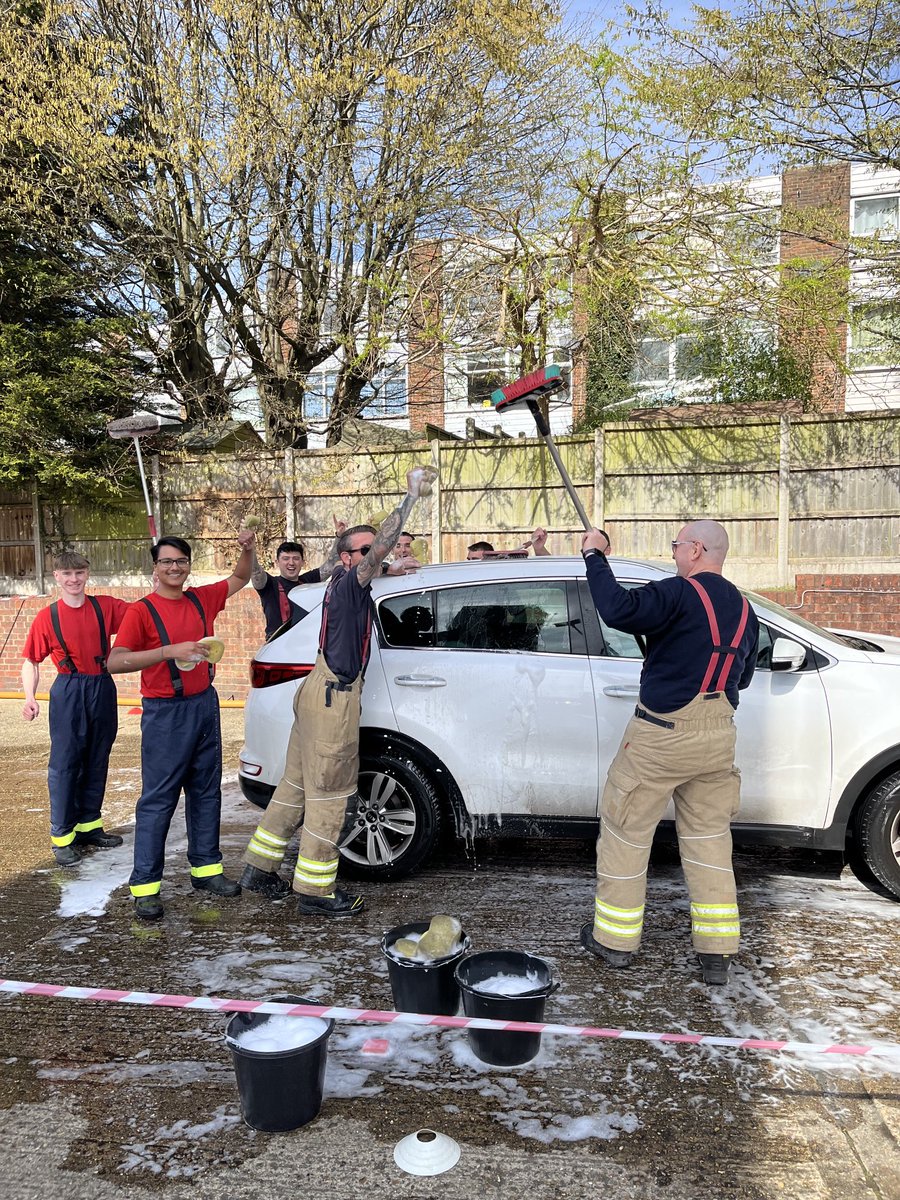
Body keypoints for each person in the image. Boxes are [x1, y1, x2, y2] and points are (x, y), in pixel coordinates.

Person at [240, 465, 437, 917]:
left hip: (313, 696)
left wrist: (393, 566)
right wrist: (409, 498)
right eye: (363, 551)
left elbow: (376, 559)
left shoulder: (338, 582)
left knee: (294, 787)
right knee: (330, 797)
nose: (374, 556)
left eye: (373, 550)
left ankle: (259, 868)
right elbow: (381, 550)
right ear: (348, 558)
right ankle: (314, 892)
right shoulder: (351, 585)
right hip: (333, 702)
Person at [579, 519, 758, 986]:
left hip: (661, 737)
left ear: (697, 550)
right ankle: (717, 952)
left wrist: (595, 555)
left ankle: (615, 941)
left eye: (678, 545)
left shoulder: (677, 594)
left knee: (626, 832)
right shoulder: (745, 609)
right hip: (718, 737)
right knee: (709, 841)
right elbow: (743, 679)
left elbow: (617, 609)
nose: (675, 553)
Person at [107, 530, 255, 920]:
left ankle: (206, 871)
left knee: (206, 792)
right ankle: (145, 887)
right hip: (165, 713)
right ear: (155, 568)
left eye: (181, 561)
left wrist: (247, 549)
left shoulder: (200, 598)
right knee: (158, 800)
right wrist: (168, 651)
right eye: (167, 561)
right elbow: (115, 661)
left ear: (189, 566)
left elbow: (240, 578)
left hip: (205, 704)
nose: (175, 567)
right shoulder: (141, 611)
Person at [21, 551, 130, 866]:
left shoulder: (105, 607)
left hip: (102, 686)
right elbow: (30, 660)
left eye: (79, 573)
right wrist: (30, 697)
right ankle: (62, 837)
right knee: (65, 763)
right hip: (69, 690)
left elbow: (143, 615)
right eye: (66, 574)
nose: (73, 579)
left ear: (87, 575)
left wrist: (157, 584)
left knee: (98, 757)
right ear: (56, 576)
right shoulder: (47, 617)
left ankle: (89, 826)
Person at [252, 525, 345, 639]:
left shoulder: (307, 581)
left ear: (302, 562)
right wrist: (249, 549)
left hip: (305, 644)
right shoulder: (269, 585)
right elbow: (255, 571)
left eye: (296, 558)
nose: (291, 563)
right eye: (286, 558)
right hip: (277, 647)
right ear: (277, 562)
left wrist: (339, 536)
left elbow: (330, 566)